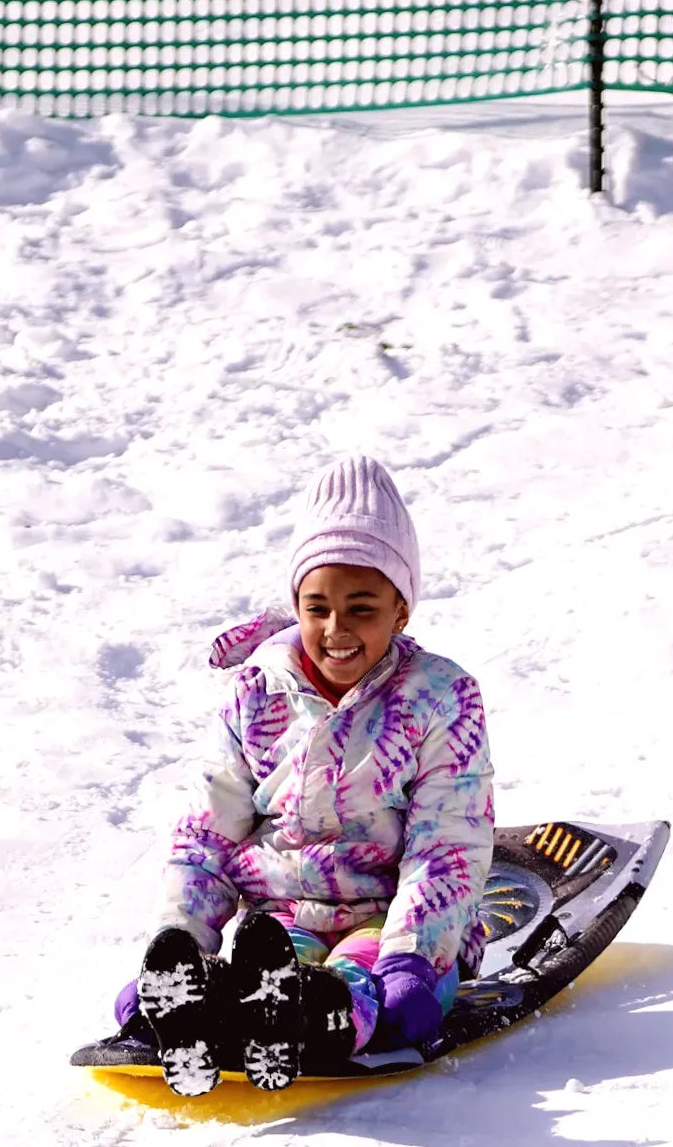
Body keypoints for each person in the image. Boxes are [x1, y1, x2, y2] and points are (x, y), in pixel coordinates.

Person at [113, 455, 494, 1096]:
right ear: (296, 605)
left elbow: (448, 842)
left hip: (386, 917)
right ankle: (196, 1005)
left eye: (361, 608)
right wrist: (183, 940)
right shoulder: (258, 691)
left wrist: (414, 955)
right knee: (264, 965)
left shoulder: (439, 695)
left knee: (371, 983)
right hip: (281, 916)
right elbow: (207, 835)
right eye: (317, 607)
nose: (336, 629)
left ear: (402, 610)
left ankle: (320, 1014)